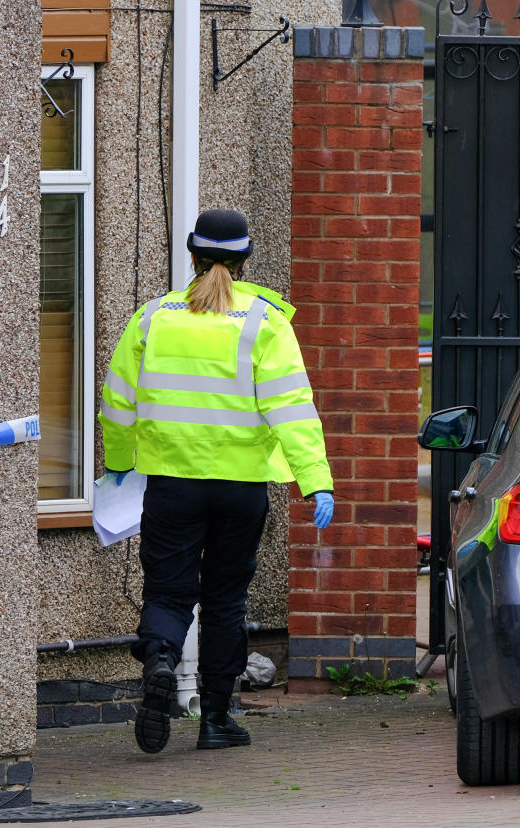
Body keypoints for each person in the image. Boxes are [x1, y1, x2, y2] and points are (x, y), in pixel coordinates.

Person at [99, 208, 335, 755]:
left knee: (168, 588)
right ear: (245, 260)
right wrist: (314, 480)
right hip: (240, 488)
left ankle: (160, 658)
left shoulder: (153, 318)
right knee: (226, 598)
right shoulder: (265, 322)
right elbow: (292, 409)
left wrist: (118, 462)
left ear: (192, 256)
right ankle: (217, 718)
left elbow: (117, 401)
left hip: (172, 485)